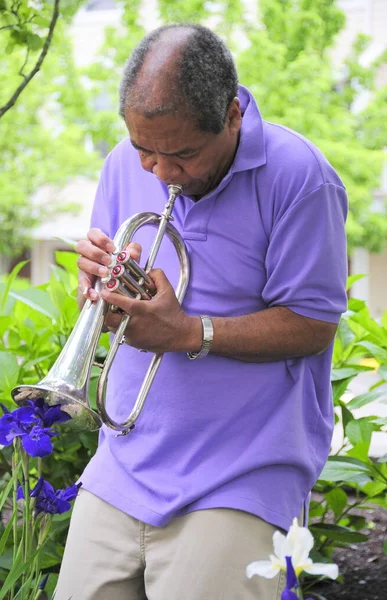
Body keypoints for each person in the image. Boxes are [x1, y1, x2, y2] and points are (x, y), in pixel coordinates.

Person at [55, 23, 348, 600]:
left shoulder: (301, 179)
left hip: (241, 476)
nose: (161, 173)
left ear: (233, 116)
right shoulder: (122, 163)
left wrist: (189, 330)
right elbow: (116, 303)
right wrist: (101, 295)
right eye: (146, 152)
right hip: (124, 464)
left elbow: (314, 325)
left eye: (183, 154)